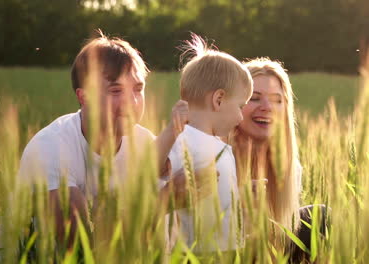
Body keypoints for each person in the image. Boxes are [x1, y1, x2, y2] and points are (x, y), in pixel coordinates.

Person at [17, 30, 188, 246]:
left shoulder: (145, 143)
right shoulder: (51, 148)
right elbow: (80, 249)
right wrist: (165, 201)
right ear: (83, 96)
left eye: (138, 89)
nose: (132, 103)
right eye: (116, 91)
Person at [161, 34, 253, 254]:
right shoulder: (181, 139)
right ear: (218, 99)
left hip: (227, 253)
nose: (241, 117)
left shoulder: (218, 146)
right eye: (241, 106)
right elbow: (154, 172)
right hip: (195, 255)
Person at [231, 57, 326, 262]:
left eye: (277, 100)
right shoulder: (213, 155)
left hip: (271, 253)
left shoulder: (289, 166)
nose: (267, 107)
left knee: (321, 218)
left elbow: (277, 243)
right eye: (254, 98)